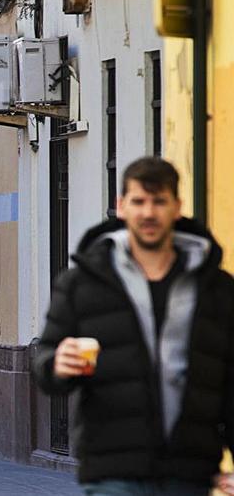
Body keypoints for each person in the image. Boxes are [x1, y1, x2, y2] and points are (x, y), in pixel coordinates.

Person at [33, 157, 234, 495]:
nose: (148, 213)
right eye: (139, 201)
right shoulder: (82, 283)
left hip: (189, 472)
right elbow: (45, 365)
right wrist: (57, 364)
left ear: (176, 207)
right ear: (121, 207)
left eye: (159, 202)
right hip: (112, 470)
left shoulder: (216, 288)